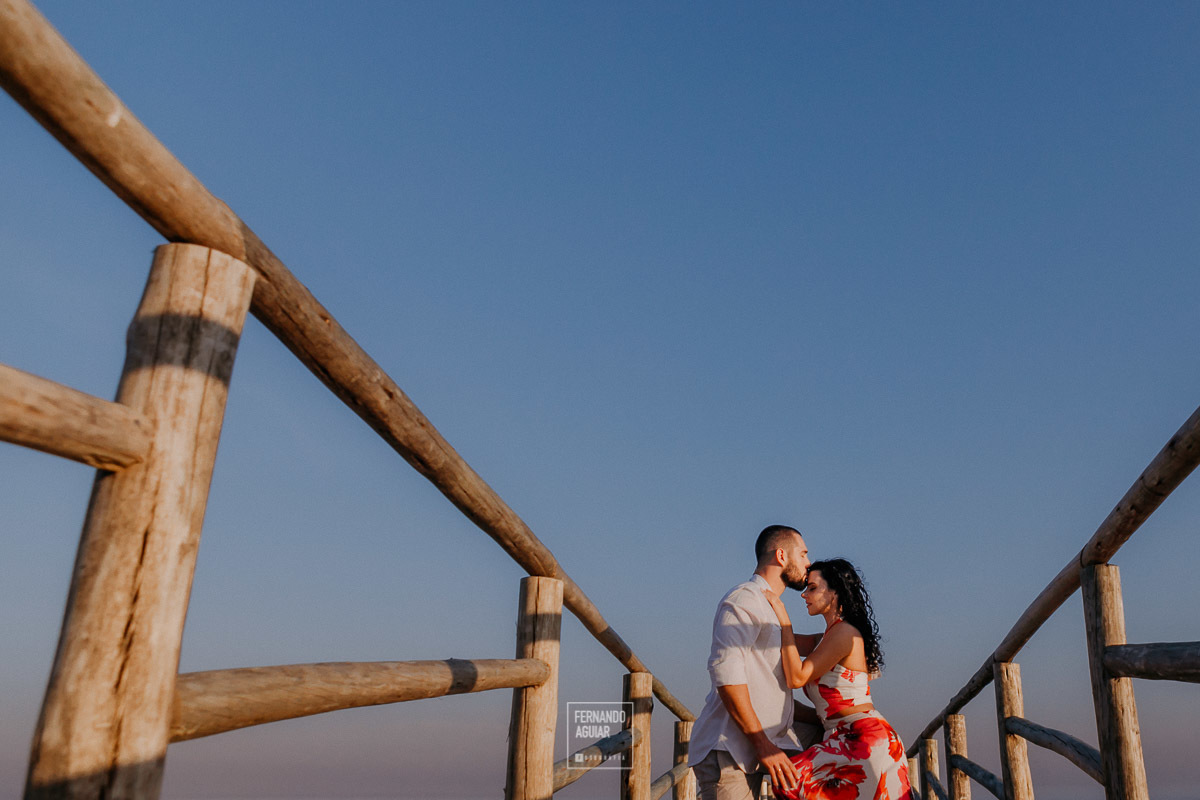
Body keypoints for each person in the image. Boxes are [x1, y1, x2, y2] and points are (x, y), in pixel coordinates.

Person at [761, 558, 915, 800]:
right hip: (839, 736)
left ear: (834, 593)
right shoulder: (823, 639)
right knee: (788, 781)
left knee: (790, 781)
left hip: (864, 739)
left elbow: (797, 677)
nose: (804, 595)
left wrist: (783, 616)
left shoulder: (845, 633)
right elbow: (774, 640)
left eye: (812, 588)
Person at [689, 525, 824, 800]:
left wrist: (824, 719)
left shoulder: (771, 609)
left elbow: (774, 694)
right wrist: (764, 746)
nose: (808, 563)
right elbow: (725, 674)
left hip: (767, 741)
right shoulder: (744, 600)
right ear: (782, 555)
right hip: (729, 751)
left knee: (831, 757)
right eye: (804, 554)